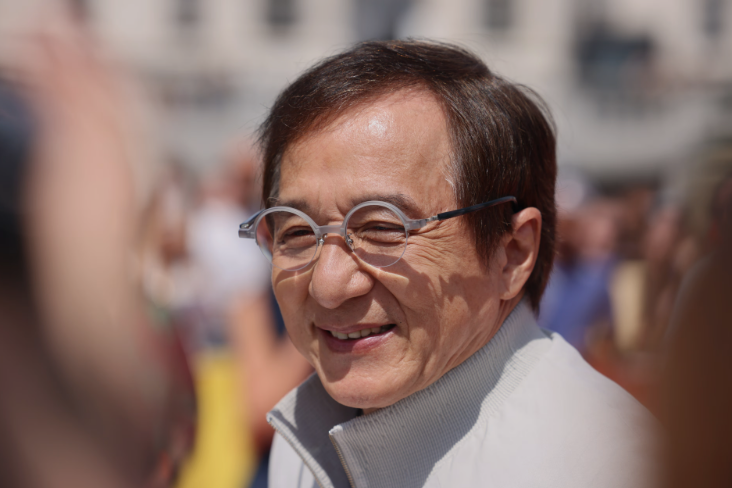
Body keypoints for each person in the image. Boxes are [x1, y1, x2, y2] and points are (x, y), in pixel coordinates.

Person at [239, 40, 657, 488]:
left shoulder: (611, 466)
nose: (328, 284)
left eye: (383, 227)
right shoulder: (302, 439)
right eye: (298, 232)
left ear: (512, 253)